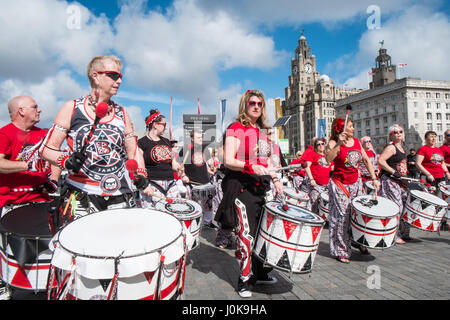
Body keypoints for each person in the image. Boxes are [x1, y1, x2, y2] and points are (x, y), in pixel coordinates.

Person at [41, 55, 147, 229]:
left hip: (120, 194)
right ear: (95, 76)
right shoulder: (72, 108)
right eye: (114, 75)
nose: (119, 81)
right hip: (83, 196)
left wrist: (141, 173)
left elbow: (133, 149)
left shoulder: (122, 112)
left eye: (121, 77)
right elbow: (47, 149)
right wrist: (65, 160)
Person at [216, 89, 283, 298]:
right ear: (245, 105)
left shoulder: (263, 131)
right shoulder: (236, 129)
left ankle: (260, 272)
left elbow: (269, 161)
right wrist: (249, 166)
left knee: (264, 232)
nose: (256, 106)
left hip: (263, 187)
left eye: (260, 103)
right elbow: (228, 160)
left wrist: (276, 179)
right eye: (252, 103)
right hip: (242, 187)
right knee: (246, 235)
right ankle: (244, 280)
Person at [325, 117, 380, 263]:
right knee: (342, 217)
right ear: (341, 128)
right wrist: (338, 144)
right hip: (340, 184)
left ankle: (358, 241)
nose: (353, 129)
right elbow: (328, 159)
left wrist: (374, 178)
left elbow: (366, 160)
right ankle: (341, 249)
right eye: (350, 126)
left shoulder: (356, 141)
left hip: (356, 183)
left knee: (358, 215)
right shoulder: (332, 143)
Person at [0, 96, 60, 213]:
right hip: (11, 205)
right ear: (21, 111)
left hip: (41, 201)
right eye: (35, 107)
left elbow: (56, 158)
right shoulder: (4, 134)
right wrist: (29, 165)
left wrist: (54, 180)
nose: (39, 110)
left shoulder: (45, 134)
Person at [137, 109, 183, 207]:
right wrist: (144, 185)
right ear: (155, 124)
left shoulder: (166, 141)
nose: (165, 128)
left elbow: (173, 163)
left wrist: (178, 168)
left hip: (170, 183)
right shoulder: (142, 142)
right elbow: (139, 166)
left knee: (174, 211)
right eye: (164, 125)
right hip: (152, 183)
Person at [378, 124, 412, 244]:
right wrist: (393, 172)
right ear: (391, 135)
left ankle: (402, 232)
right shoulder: (391, 147)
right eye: (395, 132)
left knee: (404, 206)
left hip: (400, 181)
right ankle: (393, 235)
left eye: (400, 131)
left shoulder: (402, 148)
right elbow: (380, 160)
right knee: (396, 208)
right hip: (390, 180)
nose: (398, 133)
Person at [178, 129, 216, 229]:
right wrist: (183, 176)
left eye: (201, 137)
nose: (201, 139)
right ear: (192, 138)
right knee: (193, 205)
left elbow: (207, 164)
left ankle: (207, 223)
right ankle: (192, 224)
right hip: (192, 182)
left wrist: (212, 169)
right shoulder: (185, 149)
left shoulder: (205, 149)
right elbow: (179, 166)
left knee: (208, 205)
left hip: (205, 181)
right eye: (199, 137)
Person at [304, 138, 333, 214]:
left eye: (322, 143)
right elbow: (306, 166)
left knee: (326, 207)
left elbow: (333, 169)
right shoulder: (312, 154)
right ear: (316, 146)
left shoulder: (328, 156)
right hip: (316, 185)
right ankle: (315, 224)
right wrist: (311, 179)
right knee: (315, 205)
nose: (321, 145)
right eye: (318, 144)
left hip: (327, 185)